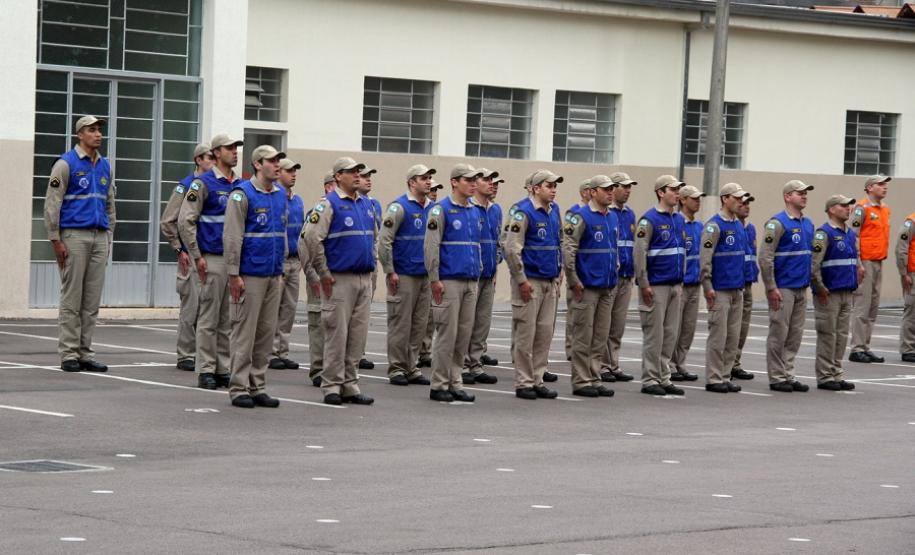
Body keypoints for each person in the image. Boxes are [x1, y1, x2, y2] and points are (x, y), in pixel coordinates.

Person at [43, 115, 115, 373]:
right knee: (72, 298)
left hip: (99, 236)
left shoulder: (105, 166)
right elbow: (52, 204)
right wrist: (55, 239)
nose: (98, 134)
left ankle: (85, 352)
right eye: (92, 130)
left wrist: (109, 237)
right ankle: (69, 353)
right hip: (74, 236)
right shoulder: (65, 164)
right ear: (80, 135)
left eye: (99, 130)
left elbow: (109, 205)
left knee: (91, 300)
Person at [302, 157, 376, 406]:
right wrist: (323, 272)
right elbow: (312, 238)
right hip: (339, 279)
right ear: (338, 177)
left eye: (359, 171)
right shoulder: (328, 204)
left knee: (357, 335)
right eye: (351, 172)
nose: (357, 175)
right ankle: (332, 384)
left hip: (363, 278)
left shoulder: (366, 204)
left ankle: (350, 384)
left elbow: (373, 239)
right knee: (336, 334)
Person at [223, 145, 287, 408]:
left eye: (278, 161)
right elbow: (232, 236)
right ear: (258, 164)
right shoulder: (242, 195)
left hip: (273, 273)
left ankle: (257, 384)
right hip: (250, 274)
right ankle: (239, 387)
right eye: (272, 161)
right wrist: (233, 273)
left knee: (265, 334)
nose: (277, 166)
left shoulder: (280, 194)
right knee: (244, 334)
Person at [178, 134, 244, 390]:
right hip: (211, 258)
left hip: (232, 262)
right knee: (208, 317)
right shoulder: (202, 183)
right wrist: (196, 255)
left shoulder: (239, 185)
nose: (235, 152)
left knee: (228, 319)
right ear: (216, 153)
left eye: (236, 148)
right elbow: (186, 220)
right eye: (229, 148)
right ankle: (206, 368)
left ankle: (222, 367)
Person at [424, 163, 483, 403]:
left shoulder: (473, 211)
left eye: (474, 180)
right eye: (468, 180)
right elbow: (431, 246)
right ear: (454, 182)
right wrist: (435, 278)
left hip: (470, 281)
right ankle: (439, 383)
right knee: (447, 335)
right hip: (449, 281)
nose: (473, 184)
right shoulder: (441, 210)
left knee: (463, 335)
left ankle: (455, 380)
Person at [504, 169, 564, 400]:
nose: (553, 190)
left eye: (555, 186)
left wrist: (559, 272)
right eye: (549, 186)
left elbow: (558, 242)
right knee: (525, 334)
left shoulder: (553, 211)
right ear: (536, 188)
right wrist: (521, 280)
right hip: (530, 282)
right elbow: (512, 249)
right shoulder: (523, 212)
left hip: (550, 281)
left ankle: (538, 378)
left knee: (544, 334)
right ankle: (524, 382)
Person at [377, 164, 435, 386]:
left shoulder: (433, 208)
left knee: (419, 325)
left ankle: (412, 367)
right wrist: (390, 270)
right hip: (403, 275)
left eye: (429, 178)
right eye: (423, 178)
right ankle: (397, 368)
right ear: (412, 182)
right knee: (401, 323)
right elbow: (384, 241)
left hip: (425, 275)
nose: (428, 182)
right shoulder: (399, 207)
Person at [562, 175, 618, 398]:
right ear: (593, 192)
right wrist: (574, 279)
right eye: (605, 189)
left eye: (611, 189)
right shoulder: (580, 216)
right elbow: (569, 249)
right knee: (583, 336)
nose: (610, 192)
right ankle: (581, 380)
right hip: (586, 286)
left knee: (600, 337)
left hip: (607, 285)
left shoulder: (611, 217)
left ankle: (595, 377)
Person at [160, 143, 213, 372]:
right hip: (191, 255)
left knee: (210, 309)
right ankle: (186, 355)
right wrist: (178, 248)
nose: (213, 161)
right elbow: (168, 220)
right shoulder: (185, 187)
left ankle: (206, 355)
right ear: (199, 160)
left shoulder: (216, 186)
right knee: (191, 306)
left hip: (211, 254)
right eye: (210, 157)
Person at [759, 180, 815, 393]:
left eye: (805, 193)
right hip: (783, 287)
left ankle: (788, 373)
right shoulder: (777, 223)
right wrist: (771, 287)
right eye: (799, 193)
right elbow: (765, 257)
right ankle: (776, 376)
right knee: (779, 333)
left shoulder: (808, 224)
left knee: (795, 334)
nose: (804, 196)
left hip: (801, 286)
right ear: (787, 196)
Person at [633, 175, 687, 396]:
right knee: (654, 335)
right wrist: (644, 283)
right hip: (656, 285)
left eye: (678, 190)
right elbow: (639, 254)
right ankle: (650, 378)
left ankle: (664, 376)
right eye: (673, 190)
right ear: (661, 192)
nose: (677, 193)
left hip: (675, 284)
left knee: (670, 334)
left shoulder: (679, 219)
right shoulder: (649, 220)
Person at [699, 183, 750, 393]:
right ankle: (714, 377)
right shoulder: (714, 226)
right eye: (737, 198)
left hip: (737, 289)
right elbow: (705, 260)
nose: (740, 202)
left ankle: (726, 375)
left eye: (742, 199)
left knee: (732, 337)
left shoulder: (738, 225)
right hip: (719, 289)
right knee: (718, 336)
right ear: (725, 199)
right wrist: (708, 285)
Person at [811, 194, 859, 391]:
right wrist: (820, 287)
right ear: (831, 209)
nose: (848, 209)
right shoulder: (824, 233)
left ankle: (836, 373)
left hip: (847, 290)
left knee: (841, 335)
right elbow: (815, 264)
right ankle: (824, 376)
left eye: (849, 206)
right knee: (827, 334)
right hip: (829, 293)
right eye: (843, 206)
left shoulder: (850, 233)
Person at [463, 168, 502, 384]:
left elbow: (498, 241)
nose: (491, 184)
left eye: (493, 181)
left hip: (489, 275)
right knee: (465, 322)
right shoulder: (469, 209)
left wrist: (496, 264)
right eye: (486, 180)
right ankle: (460, 365)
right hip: (472, 275)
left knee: (482, 324)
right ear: (475, 184)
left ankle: (475, 365)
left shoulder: (495, 210)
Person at [849, 175, 891, 363]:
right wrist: (857, 262)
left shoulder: (884, 210)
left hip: (878, 261)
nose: (885, 187)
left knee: (873, 307)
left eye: (885, 184)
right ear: (870, 188)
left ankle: (865, 345)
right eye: (880, 184)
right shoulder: (862, 209)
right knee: (862, 305)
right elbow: (854, 236)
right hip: (865, 262)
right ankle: (857, 348)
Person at [300, 173, 336, 387]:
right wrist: (312, 274)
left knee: (335, 325)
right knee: (319, 323)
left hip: (337, 277)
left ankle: (335, 369)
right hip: (320, 276)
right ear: (328, 187)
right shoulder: (318, 211)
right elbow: (305, 244)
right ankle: (318, 369)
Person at [269, 158, 304, 370]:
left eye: (295, 171)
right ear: (279, 172)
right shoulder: (274, 197)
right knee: (273, 309)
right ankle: (271, 351)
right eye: (289, 171)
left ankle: (282, 351)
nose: (293, 174)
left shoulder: (297, 200)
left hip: (294, 261)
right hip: (279, 261)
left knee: (289, 309)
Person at [602, 172, 637, 383]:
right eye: (624, 186)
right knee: (604, 325)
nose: (628, 190)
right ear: (613, 188)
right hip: (611, 276)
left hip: (626, 275)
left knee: (618, 325)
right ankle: (602, 365)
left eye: (629, 186)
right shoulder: (608, 213)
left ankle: (613, 364)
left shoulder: (630, 214)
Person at [670, 185, 704, 382]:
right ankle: (669, 364)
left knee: (688, 329)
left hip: (695, 284)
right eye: (694, 198)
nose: (697, 201)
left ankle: (680, 363)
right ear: (683, 200)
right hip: (681, 283)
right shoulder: (677, 223)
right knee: (674, 327)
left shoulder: (699, 227)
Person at [357, 166, 383, 371]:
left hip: (368, 265)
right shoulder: (336, 203)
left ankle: (359, 352)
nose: (368, 180)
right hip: (347, 270)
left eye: (369, 177)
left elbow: (376, 236)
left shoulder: (373, 205)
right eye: (364, 176)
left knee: (363, 314)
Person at [417, 179, 445, 369]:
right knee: (416, 318)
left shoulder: (437, 210)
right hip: (415, 268)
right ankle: (413, 354)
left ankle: (425, 351)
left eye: (436, 189)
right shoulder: (413, 208)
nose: (434, 192)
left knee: (430, 316)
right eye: (432, 189)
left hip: (433, 269)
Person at [565, 179, 593, 360]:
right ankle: (571, 348)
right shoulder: (575, 213)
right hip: (577, 273)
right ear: (584, 193)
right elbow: (569, 244)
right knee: (574, 314)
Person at [732, 193, 757, 381]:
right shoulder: (730, 227)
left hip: (748, 281)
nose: (746, 206)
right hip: (734, 283)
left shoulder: (750, 229)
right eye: (743, 203)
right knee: (731, 328)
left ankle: (735, 362)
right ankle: (726, 363)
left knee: (743, 328)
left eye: (748, 203)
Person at [895, 211, 915, 363]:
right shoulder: (911, 222)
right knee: (912, 311)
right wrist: (904, 273)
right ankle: (908, 349)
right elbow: (901, 249)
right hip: (913, 272)